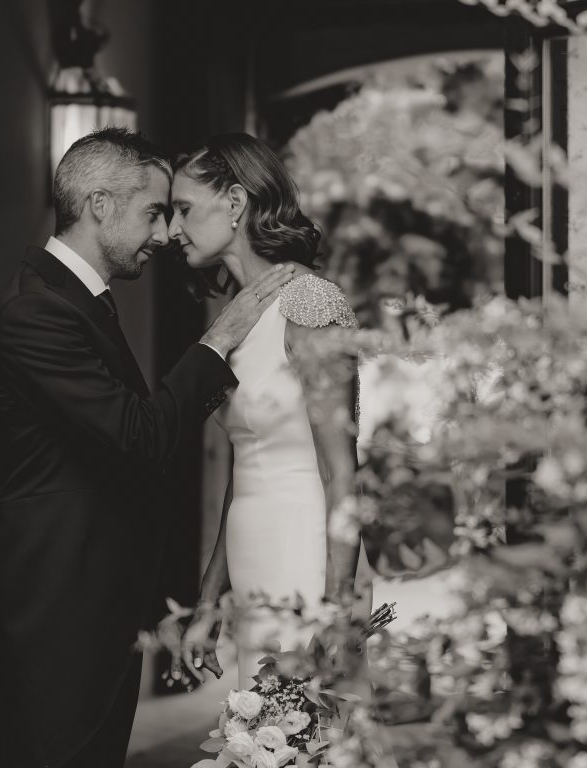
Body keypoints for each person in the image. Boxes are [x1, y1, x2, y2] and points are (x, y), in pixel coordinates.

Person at [0, 127, 295, 768]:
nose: (162, 235)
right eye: (153, 212)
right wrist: (216, 341)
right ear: (100, 204)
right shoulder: (33, 311)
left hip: (96, 608)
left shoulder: (82, 303)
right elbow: (138, 436)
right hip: (55, 613)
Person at [171, 133, 368, 690]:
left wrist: (335, 606)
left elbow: (341, 470)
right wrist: (208, 603)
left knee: (314, 731)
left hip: (307, 552)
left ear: (235, 204)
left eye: (183, 209)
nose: (171, 231)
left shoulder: (309, 303)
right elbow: (246, 469)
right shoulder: (232, 321)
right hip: (253, 556)